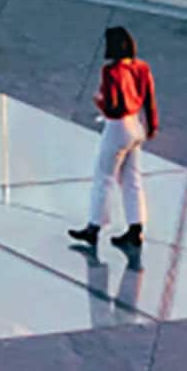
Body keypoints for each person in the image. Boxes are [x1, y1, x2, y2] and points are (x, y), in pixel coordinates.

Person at [69, 27, 158, 259]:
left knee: (104, 177)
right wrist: (152, 126)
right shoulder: (141, 67)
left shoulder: (111, 71)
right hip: (136, 125)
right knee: (132, 179)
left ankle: (94, 227)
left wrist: (100, 104)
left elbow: (114, 107)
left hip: (118, 127)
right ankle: (135, 228)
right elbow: (149, 99)